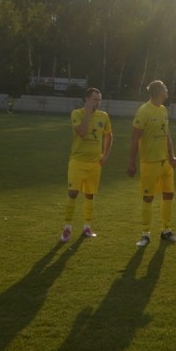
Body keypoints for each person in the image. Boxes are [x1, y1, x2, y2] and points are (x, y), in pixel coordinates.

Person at [127, 80, 176, 247]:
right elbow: (135, 139)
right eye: (165, 88)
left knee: (169, 195)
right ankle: (145, 234)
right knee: (148, 197)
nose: (167, 90)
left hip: (166, 162)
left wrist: (172, 156)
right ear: (160, 92)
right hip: (149, 163)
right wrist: (131, 162)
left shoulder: (164, 110)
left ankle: (166, 231)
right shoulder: (144, 111)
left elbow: (167, 136)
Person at [61, 87, 112, 242]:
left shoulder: (104, 116)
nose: (97, 102)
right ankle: (67, 228)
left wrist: (105, 155)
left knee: (90, 195)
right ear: (87, 99)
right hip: (77, 161)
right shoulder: (77, 114)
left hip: (94, 164)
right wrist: (88, 113)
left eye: (99, 99)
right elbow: (82, 132)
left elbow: (109, 135)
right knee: (73, 194)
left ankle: (87, 226)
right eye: (94, 99)